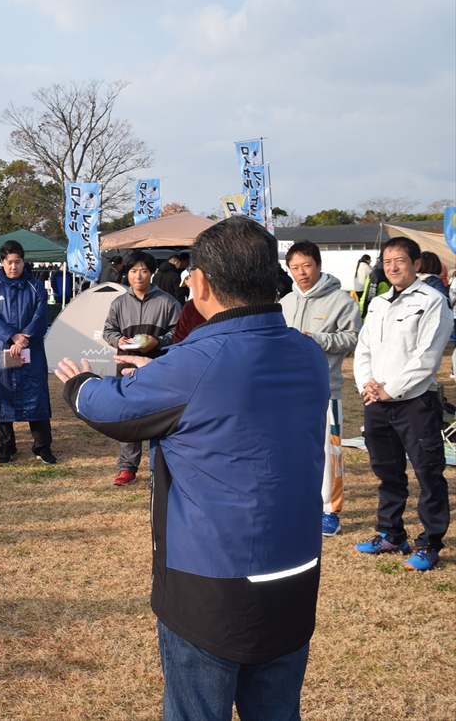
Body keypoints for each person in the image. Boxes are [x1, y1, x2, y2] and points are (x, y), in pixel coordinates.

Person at [56, 216, 329, 720]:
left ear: (200, 283)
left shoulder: (195, 362)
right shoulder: (307, 353)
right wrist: (164, 373)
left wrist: (78, 385)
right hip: (295, 570)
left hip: (211, 581)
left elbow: (113, 409)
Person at [352, 237, 453, 572]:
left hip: (415, 402)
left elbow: (427, 356)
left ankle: (430, 544)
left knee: (428, 473)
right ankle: (391, 534)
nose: (393, 267)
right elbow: (363, 348)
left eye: (400, 260)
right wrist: (367, 386)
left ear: (416, 264)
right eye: (387, 261)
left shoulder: (433, 301)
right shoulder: (379, 303)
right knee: (387, 472)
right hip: (376, 402)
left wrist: (391, 390)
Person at [280, 241, 362, 537]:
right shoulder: (285, 302)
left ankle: (330, 511)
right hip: (288, 392)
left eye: (307, 265)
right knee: (292, 449)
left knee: (330, 450)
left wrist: (318, 339)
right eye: (295, 267)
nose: (301, 272)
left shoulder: (341, 300)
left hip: (326, 389)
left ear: (319, 265)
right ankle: (300, 503)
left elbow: (355, 338)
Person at [102, 251, 181, 486]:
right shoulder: (119, 303)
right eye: (134, 271)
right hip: (127, 367)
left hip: (159, 366)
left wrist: (158, 342)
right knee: (129, 415)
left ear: (152, 273)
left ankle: (161, 467)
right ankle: (127, 468)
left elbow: (179, 332)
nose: (138, 276)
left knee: (161, 416)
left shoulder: (167, 302)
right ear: (127, 273)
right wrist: (118, 340)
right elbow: (108, 330)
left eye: (144, 271)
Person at [0, 241, 56, 466]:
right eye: (9, 262)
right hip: (2, 348)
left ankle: (42, 446)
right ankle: (6, 446)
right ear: (2, 263)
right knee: (2, 396)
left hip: (31, 349)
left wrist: (24, 338)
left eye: (18, 262)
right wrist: (11, 336)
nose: (13, 266)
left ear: (24, 262)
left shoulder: (36, 286)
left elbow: (40, 316)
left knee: (37, 396)